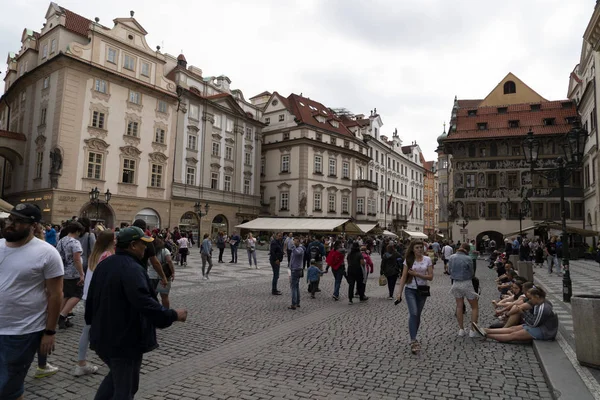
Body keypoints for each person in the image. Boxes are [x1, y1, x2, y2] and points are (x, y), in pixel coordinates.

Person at [85, 226, 188, 399]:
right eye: (143, 244)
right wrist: (172, 315)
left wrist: (92, 325)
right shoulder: (131, 269)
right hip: (123, 340)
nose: (146, 248)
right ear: (133, 245)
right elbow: (145, 302)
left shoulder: (104, 264)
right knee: (125, 388)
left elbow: (91, 300)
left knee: (116, 378)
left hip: (103, 336)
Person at [0, 204, 64, 399]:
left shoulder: (47, 253)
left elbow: (56, 294)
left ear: (33, 226)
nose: (10, 224)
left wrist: (49, 331)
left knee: (7, 388)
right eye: (10, 219)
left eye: (18, 221)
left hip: (22, 331)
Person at [74, 230, 115, 377]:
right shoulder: (107, 256)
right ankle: (113, 362)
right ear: (111, 241)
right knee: (107, 330)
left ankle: (81, 362)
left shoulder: (94, 255)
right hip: (100, 298)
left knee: (88, 329)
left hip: (89, 296)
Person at [472, 287, 558, 342]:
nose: (530, 300)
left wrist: (523, 313)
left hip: (545, 331)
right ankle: (485, 330)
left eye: (531, 298)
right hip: (539, 326)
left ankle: (487, 334)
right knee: (513, 328)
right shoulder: (539, 304)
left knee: (513, 335)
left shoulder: (544, 307)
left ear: (537, 296)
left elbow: (533, 323)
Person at [396, 240, 434, 354]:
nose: (419, 249)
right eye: (417, 247)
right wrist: (399, 292)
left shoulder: (428, 260)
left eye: (421, 247)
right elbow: (403, 277)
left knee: (418, 315)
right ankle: (413, 340)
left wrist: (417, 274)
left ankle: (414, 335)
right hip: (410, 290)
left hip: (422, 291)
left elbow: (431, 277)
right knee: (413, 313)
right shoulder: (408, 260)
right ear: (413, 249)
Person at [56, 221, 85, 329]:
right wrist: (81, 274)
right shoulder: (75, 243)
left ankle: (63, 317)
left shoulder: (61, 240)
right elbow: (76, 259)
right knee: (78, 295)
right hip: (73, 273)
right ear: (77, 231)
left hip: (63, 271)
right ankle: (62, 315)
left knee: (67, 294)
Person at [449, 243, 479, 338]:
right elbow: (472, 272)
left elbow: (449, 270)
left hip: (455, 283)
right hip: (466, 283)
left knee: (459, 306)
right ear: (467, 250)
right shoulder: (468, 258)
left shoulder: (451, 257)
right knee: (474, 307)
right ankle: (472, 331)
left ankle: (461, 329)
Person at [152, 238, 175, 308]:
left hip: (151, 276)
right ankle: (166, 313)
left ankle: (153, 312)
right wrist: (173, 272)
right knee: (164, 297)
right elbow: (169, 261)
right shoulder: (165, 251)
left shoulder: (150, 252)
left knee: (152, 297)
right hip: (164, 276)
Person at [288, 237, 305, 309]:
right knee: (296, 286)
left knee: (294, 287)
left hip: (296, 270)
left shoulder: (300, 249)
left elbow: (296, 253)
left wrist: (294, 246)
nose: (294, 243)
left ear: (299, 242)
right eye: (294, 241)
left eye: (296, 241)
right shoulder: (295, 249)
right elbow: (292, 258)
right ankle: (297, 302)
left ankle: (294, 304)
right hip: (293, 269)